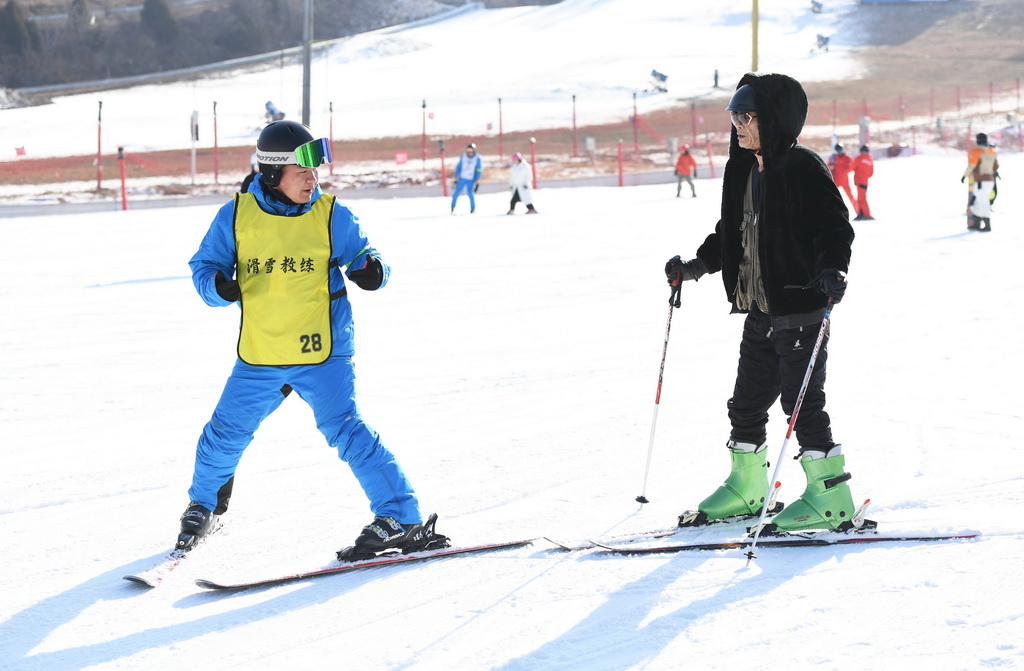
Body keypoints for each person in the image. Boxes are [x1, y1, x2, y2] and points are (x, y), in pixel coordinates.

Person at [179, 120, 446, 560]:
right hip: (262, 352)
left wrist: (372, 271)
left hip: (322, 351)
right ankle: (203, 506)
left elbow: (367, 255)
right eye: (302, 171)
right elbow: (204, 266)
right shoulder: (236, 215)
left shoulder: (330, 214)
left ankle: (402, 518)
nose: (313, 178)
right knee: (223, 434)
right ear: (271, 174)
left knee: (346, 430)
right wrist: (216, 286)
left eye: (315, 170)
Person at [665, 73, 859, 534]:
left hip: (800, 308)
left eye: (745, 116)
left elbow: (835, 228)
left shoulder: (802, 167)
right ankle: (747, 488)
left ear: (771, 119)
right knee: (747, 404)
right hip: (759, 310)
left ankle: (832, 498)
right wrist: (694, 267)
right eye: (733, 115)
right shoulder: (742, 170)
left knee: (800, 405)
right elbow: (729, 234)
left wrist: (833, 269)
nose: (737, 124)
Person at [962, 132, 999, 232]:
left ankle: (986, 225)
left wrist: (964, 176)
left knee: (982, 202)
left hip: (980, 181)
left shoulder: (976, 151)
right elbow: (996, 166)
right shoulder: (992, 150)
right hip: (990, 180)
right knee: (979, 201)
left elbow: (971, 166)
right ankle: (977, 223)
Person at [450, 143, 482, 213]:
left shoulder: (477, 158)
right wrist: (455, 176)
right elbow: (459, 167)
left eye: (471, 151)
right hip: (462, 178)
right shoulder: (463, 157)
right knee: (457, 192)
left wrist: (477, 179)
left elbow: (478, 169)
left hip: (470, 179)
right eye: (468, 150)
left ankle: (473, 208)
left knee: (470, 193)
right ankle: (452, 207)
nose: (469, 152)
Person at [827, 143, 856, 212]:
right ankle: (832, 211)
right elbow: (827, 167)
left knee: (850, 196)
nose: (839, 152)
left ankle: (858, 211)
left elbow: (852, 166)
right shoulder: (832, 158)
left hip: (844, 181)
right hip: (835, 180)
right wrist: (831, 167)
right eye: (838, 151)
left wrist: (846, 171)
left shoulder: (847, 158)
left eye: (840, 150)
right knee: (833, 197)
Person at [850, 145, 874, 220]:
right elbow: (871, 173)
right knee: (861, 198)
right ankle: (861, 214)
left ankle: (866, 215)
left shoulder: (859, 158)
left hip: (859, 181)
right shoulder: (870, 159)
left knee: (862, 199)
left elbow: (851, 167)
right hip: (865, 182)